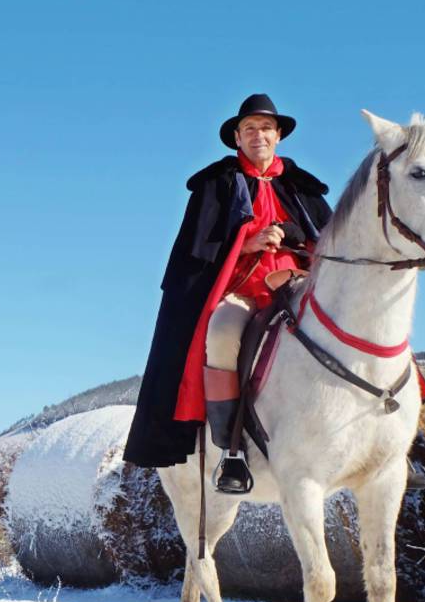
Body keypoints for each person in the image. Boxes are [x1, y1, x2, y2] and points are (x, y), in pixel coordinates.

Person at [123, 94, 333, 493]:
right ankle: (232, 450)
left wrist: (290, 235)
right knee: (221, 336)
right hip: (242, 291)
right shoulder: (215, 186)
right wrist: (247, 241)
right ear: (237, 138)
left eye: (266, 128)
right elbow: (196, 254)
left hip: (298, 286)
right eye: (250, 129)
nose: (259, 136)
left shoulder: (301, 187)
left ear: (279, 136)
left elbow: (329, 238)